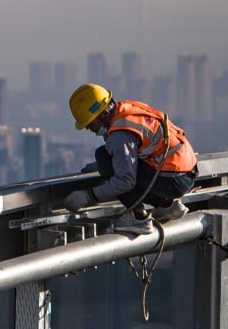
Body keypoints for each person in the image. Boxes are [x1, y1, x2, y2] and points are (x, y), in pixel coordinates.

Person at [65, 83, 198, 235]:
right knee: (106, 159)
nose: (89, 128)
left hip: (172, 180)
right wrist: (98, 165)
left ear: (103, 114)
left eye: (89, 123)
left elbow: (125, 181)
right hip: (185, 171)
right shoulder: (126, 110)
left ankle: (139, 217)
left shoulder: (119, 134)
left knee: (103, 156)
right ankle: (168, 206)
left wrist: (88, 195)